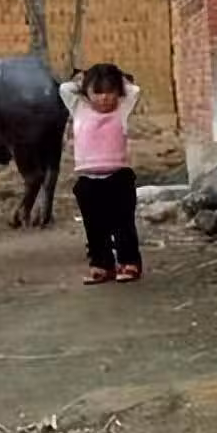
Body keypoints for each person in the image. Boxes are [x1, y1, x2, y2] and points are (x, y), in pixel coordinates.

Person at [59, 63, 143, 285]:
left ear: (118, 92)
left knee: (123, 225)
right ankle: (101, 265)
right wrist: (83, 80)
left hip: (119, 178)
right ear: (87, 93)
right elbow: (65, 88)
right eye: (97, 92)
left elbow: (134, 90)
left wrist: (118, 77)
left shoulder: (122, 108)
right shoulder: (79, 107)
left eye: (110, 91)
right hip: (88, 181)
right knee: (94, 226)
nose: (104, 98)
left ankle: (129, 262)